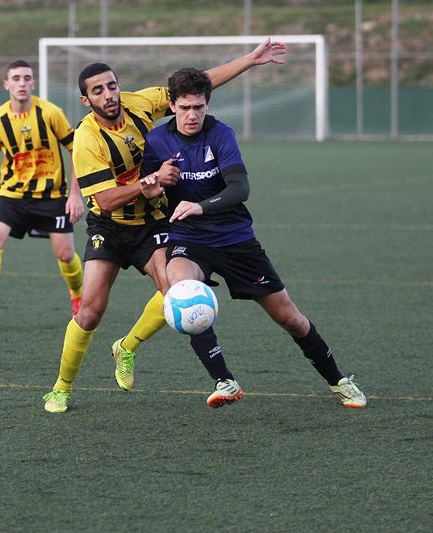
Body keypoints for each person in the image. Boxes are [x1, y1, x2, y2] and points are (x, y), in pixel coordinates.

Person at [43, 38, 288, 413]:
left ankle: (130, 347)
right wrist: (147, 182)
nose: (108, 94)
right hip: (108, 226)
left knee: (179, 289)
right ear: (86, 100)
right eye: (98, 90)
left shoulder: (140, 103)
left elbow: (197, 83)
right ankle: (61, 388)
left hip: (150, 223)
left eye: (112, 85)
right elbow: (106, 200)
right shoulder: (87, 138)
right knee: (90, 311)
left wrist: (250, 61)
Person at [142, 67, 366, 407]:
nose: (192, 115)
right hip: (189, 238)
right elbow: (150, 191)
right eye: (185, 107)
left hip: (234, 237)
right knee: (182, 293)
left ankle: (338, 379)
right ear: (171, 105)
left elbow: (240, 188)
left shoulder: (220, 134)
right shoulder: (156, 141)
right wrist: (155, 185)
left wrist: (201, 206)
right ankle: (224, 380)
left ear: (207, 104)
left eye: (199, 107)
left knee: (289, 317)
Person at [0, 59, 84, 331]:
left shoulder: (50, 112)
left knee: (65, 255)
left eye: (27, 78)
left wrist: (75, 194)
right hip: (12, 194)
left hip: (52, 195)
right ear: (6, 85)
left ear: (33, 83)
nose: (22, 83)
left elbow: (76, 149)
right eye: (15, 78)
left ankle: (77, 297)